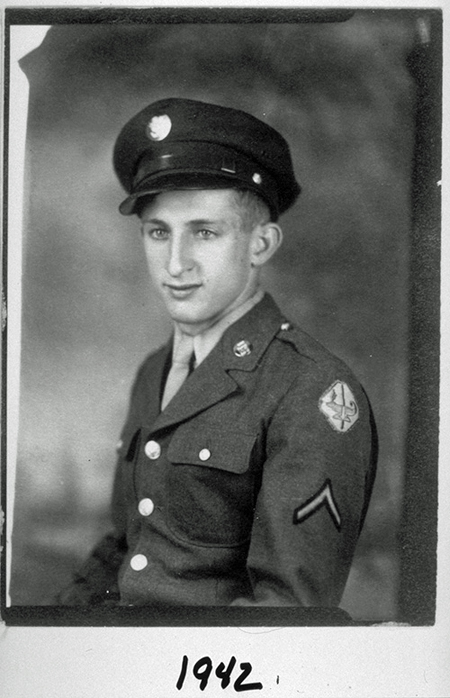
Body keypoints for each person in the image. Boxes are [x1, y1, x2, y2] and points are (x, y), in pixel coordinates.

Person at [59, 97, 377, 608]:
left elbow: (288, 615)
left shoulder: (311, 390)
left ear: (262, 244)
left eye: (204, 232)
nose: (175, 262)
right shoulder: (153, 373)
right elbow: (128, 548)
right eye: (158, 232)